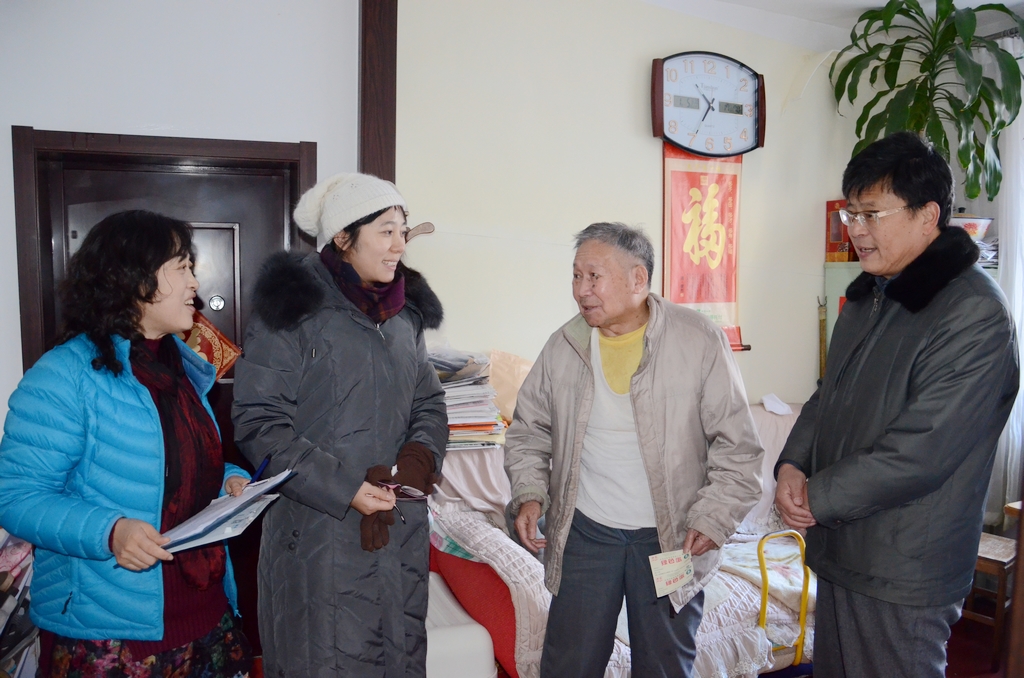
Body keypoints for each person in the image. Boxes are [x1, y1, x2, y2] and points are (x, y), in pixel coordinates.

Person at [775, 132, 1020, 677]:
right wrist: (792, 464)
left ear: (927, 215)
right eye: (851, 215)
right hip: (843, 545)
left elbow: (921, 451)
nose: (856, 230)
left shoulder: (973, 313)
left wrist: (817, 496)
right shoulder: (871, 295)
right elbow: (827, 395)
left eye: (872, 215)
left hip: (904, 562)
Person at [504, 222, 764, 678]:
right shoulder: (565, 345)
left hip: (670, 539)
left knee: (664, 665)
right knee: (568, 664)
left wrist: (713, 518)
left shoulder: (697, 340)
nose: (581, 290)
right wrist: (529, 493)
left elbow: (738, 448)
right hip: (587, 534)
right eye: (576, 276)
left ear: (638, 279)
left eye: (594, 276)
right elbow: (528, 430)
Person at [0, 210, 253, 677]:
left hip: (206, 616)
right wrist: (110, 531)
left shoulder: (182, 367)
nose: (194, 282)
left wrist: (229, 481)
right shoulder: (64, 375)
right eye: (181, 267)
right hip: (109, 634)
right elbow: (16, 497)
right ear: (134, 279)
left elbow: (178, 465)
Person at [231, 173, 448, 677]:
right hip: (318, 536)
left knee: (397, 658)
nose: (400, 245)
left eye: (403, 231)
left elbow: (429, 402)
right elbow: (259, 422)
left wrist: (418, 460)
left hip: (397, 531)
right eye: (386, 231)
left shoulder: (404, 316)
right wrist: (345, 488)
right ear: (343, 237)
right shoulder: (292, 312)